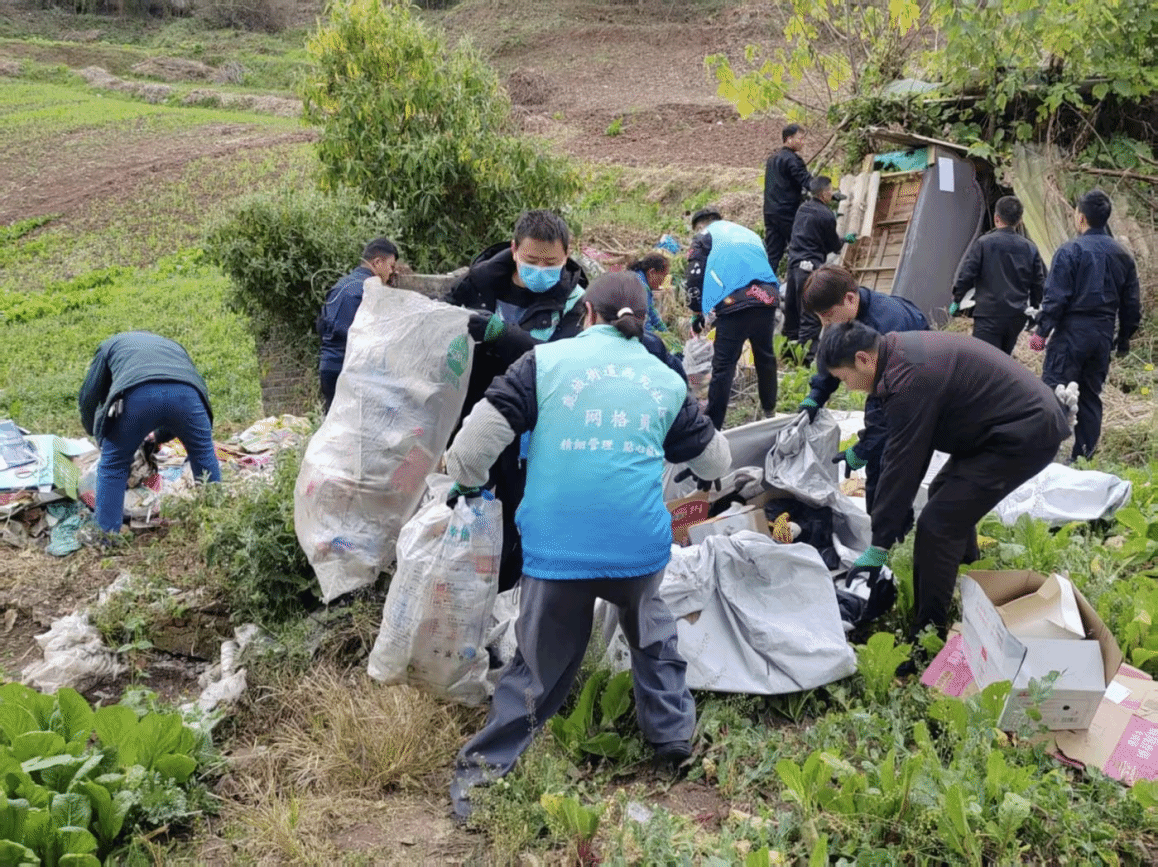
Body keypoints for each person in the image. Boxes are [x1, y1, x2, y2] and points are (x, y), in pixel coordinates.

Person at [445, 272, 731, 821]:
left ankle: (482, 776)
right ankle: (672, 735)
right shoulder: (665, 380)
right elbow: (716, 461)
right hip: (637, 549)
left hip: (559, 549)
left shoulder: (543, 363)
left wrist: (468, 482)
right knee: (652, 631)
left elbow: (473, 447)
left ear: (588, 315)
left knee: (537, 665)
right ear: (643, 322)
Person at [446, 210, 684, 591]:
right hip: (476, 417)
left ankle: (512, 590)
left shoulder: (576, 302)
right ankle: (469, 587)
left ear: (567, 254)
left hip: (535, 430)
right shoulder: (477, 285)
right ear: (514, 249)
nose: (542, 270)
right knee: (469, 504)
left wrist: (505, 336)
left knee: (518, 515)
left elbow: (566, 362)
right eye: (532, 261)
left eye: (551, 263)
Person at [821, 322, 1070, 642]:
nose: (848, 388)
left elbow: (904, 463)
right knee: (943, 494)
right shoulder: (895, 354)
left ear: (862, 359)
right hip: (998, 427)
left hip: (1023, 434)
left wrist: (879, 544)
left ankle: (927, 634)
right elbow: (892, 427)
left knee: (937, 526)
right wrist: (862, 450)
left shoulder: (910, 379)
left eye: (845, 379)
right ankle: (966, 571)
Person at [797, 265, 928, 511]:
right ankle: (882, 522)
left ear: (849, 298)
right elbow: (834, 356)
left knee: (888, 465)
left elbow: (887, 407)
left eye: (827, 315)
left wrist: (864, 449)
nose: (825, 323)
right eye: (820, 317)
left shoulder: (886, 328)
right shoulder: (848, 314)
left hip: (917, 394)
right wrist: (817, 395)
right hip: (893, 388)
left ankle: (888, 527)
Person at [1030, 189, 1141, 461]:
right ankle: (1082, 458)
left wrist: (1041, 333)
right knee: (1090, 396)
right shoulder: (1123, 256)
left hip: (1071, 333)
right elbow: (1131, 306)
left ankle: (1043, 456)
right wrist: (1123, 340)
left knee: (1054, 391)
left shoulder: (1070, 250)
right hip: (1102, 335)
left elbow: (1055, 299)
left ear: (1081, 217)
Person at [78, 331, 222, 536]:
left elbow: (89, 395)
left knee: (114, 464)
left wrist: (93, 429)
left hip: (137, 395)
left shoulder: (108, 346)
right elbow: (177, 396)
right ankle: (218, 524)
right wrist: (160, 435)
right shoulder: (173, 346)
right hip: (189, 395)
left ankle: (107, 534)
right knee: (203, 453)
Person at [686, 207, 780, 430]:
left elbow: (694, 275)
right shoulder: (749, 234)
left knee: (724, 365)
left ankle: (713, 426)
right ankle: (770, 413)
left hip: (734, 302)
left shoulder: (705, 236)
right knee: (765, 356)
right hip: (766, 296)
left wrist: (696, 312)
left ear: (701, 225)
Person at [949, 195, 1047, 354]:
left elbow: (967, 274)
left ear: (996, 218)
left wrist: (957, 299)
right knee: (1003, 360)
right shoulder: (1030, 248)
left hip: (988, 316)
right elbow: (1038, 283)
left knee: (984, 361)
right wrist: (1034, 308)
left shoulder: (984, 243)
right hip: (1016, 317)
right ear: (1020, 221)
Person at [316, 238, 399, 412]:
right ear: (377, 262)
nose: (392, 272)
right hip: (352, 371)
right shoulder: (371, 289)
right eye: (391, 266)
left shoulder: (340, 285)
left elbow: (321, 326)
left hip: (328, 367)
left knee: (336, 423)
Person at [783, 177, 856, 354]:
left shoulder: (802, 209)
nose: (832, 193)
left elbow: (809, 232)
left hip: (794, 266)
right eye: (830, 190)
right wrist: (844, 239)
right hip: (809, 269)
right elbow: (834, 246)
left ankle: (788, 354)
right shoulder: (826, 215)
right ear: (824, 194)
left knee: (792, 312)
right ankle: (807, 359)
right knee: (810, 315)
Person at [763, 124, 812, 275]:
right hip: (787, 213)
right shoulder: (792, 159)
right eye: (800, 138)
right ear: (789, 139)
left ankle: (764, 284)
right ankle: (798, 282)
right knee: (801, 248)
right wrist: (826, 191)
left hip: (770, 212)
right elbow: (805, 180)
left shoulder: (772, 159)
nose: (803, 142)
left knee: (773, 254)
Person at [626, 252, 670, 333]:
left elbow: (651, 312)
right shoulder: (640, 287)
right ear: (652, 272)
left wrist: (665, 332)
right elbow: (644, 323)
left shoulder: (640, 280)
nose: (663, 281)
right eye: (663, 276)